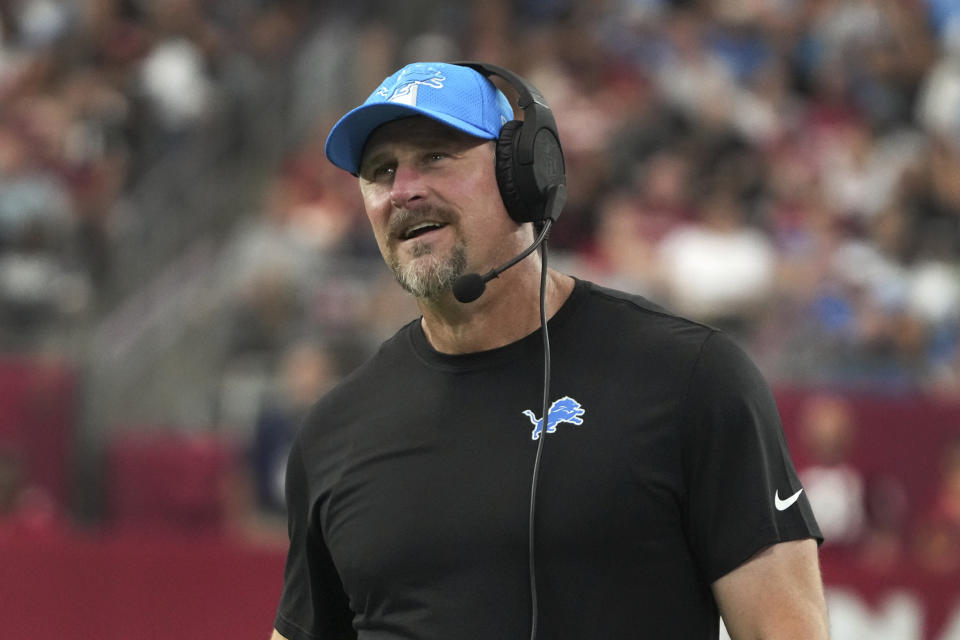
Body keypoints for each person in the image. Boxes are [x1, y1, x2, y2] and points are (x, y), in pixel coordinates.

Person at [271, 61, 828, 640]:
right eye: (381, 171)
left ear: (525, 173)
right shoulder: (333, 434)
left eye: (436, 156)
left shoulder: (690, 379)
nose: (404, 190)